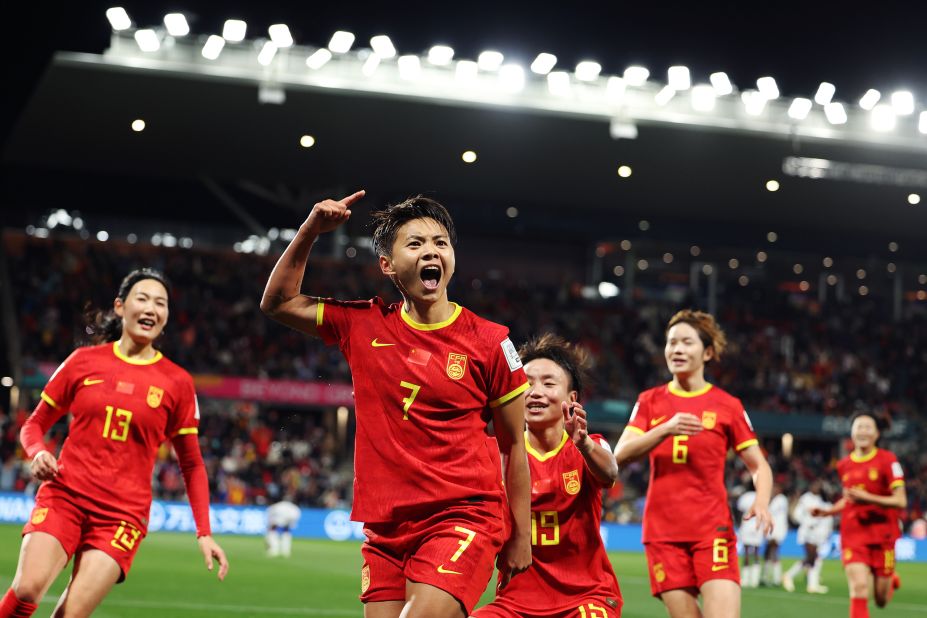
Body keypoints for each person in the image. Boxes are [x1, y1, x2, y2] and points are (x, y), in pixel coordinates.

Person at [261, 192, 531, 618]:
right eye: (416, 243)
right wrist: (310, 230)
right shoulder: (362, 325)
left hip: (463, 515)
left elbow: (515, 444)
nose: (432, 251)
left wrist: (521, 536)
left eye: (441, 242)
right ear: (387, 265)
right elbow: (276, 303)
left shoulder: (491, 342)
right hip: (386, 529)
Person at [1, 269, 228, 618]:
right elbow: (34, 425)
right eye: (143, 298)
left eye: (160, 303)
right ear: (121, 307)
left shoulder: (177, 382)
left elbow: (192, 464)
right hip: (66, 494)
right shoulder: (83, 362)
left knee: (70, 615)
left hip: (122, 515)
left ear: (166, 318)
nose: (151, 308)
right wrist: (39, 451)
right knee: (28, 587)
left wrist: (204, 532)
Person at [614, 309, 773, 618]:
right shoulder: (650, 401)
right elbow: (619, 455)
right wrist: (665, 429)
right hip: (663, 533)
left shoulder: (728, 406)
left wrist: (762, 501)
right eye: (671, 342)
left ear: (708, 352)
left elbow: (759, 466)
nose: (677, 349)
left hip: (711, 529)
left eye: (687, 342)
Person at [473, 334, 622, 618]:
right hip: (514, 603)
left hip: (586, 599)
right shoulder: (495, 454)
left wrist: (584, 444)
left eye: (549, 383)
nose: (535, 392)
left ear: (572, 398)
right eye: (526, 384)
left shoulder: (590, 447)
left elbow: (610, 473)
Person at [811, 413, 905, 618]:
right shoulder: (843, 465)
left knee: (881, 600)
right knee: (859, 588)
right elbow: (849, 499)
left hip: (883, 534)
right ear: (852, 433)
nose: (863, 431)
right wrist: (828, 511)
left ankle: (890, 580)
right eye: (858, 427)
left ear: (877, 433)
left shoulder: (888, 460)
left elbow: (901, 501)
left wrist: (869, 498)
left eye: (867, 427)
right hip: (854, 533)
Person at [783, 479, 833, 594]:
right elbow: (797, 514)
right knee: (811, 557)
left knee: (814, 559)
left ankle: (812, 585)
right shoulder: (806, 498)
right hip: (807, 532)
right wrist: (807, 523)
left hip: (818, 534)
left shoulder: (821, 500)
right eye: (814, 485)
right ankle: (789, 575)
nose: (816, 487)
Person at [761, 483, 789, 586]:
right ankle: (766, 576)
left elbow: (771, 511)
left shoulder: (781, 499)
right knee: (768, 552)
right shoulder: (777, 500)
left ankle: (776, 578)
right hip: (772, 529)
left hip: (777, 530)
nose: (773, 490)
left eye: (775, 488)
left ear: (780, 490)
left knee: (773, 551)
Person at [735, 489, 762, 589]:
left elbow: (739, 510)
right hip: (758, 526)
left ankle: (745, 579)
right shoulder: (761, 496)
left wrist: (738, 523)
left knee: (746, 552)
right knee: (756, 553)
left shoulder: (745, 496)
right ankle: (755, 580)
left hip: (746, 525)